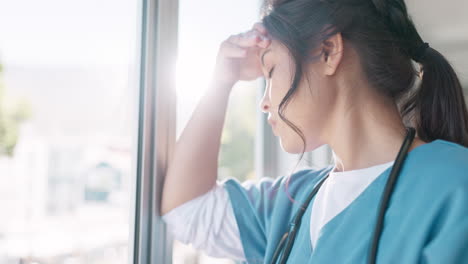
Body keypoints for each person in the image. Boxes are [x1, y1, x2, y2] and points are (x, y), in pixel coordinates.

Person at [161, 0, 468, 263]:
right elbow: (187, 211)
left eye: (270, 72)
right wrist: (220, 81)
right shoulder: (292, 201)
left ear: (328, 50)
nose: (264, 103)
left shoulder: (453, 186)